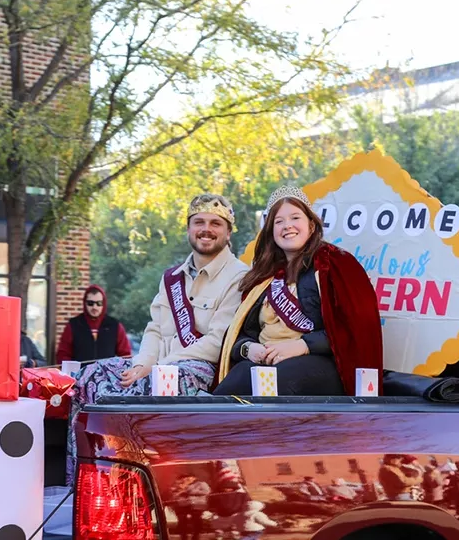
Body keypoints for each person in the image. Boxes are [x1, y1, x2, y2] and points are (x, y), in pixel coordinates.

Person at [66, 193, 249, 482]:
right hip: (157, 366)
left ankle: (133, 482)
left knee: (155, 383)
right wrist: (142, 363)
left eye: (216, 223)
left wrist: (157, 367)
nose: (206, 229)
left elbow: (218, 342)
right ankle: (84, 480)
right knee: (89, 375)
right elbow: (154, 329)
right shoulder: (172, 278)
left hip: (199, 368)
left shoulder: (240, 277)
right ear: (189, 228)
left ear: (228, 233)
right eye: (199, 221)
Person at [214, 186, 383, 396]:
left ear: (311, 225)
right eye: (279, 221)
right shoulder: (262, 276)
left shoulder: (336, 263)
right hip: (267, 361)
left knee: (278, 379)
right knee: (239, 377)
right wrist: (248, 348)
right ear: (271, 231)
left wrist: (303, 345)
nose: (287, 226)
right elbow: (240, 334)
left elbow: (356, 328)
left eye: (295, 218)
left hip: (319, 364)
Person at [55, 285, 130, 365]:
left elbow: (125, 356)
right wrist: (70, 373)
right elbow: (63, 354)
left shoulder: (114, 325)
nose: (94, 307)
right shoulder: (74, 325)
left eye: (99, 303)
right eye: (90, 303)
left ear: (103, 304)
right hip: (79, 375)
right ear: (85, 303)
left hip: (106, 376)